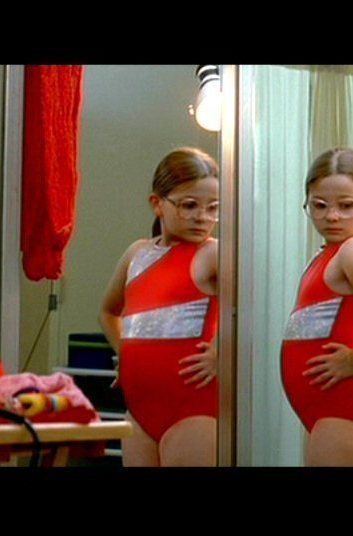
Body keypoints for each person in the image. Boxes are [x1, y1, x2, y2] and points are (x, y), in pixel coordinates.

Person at [99, 147, 220, 467]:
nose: (202, 217)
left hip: (193, 407)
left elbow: (250, 309)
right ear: (157, 204)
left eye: (213, 208)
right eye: (189, 206)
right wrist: (124, 353)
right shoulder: (137, 253)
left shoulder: (214, 254)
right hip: (139, 409)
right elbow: (108, 312)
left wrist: (221, 350)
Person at [281, 148, 353, 466]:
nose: (332, 216)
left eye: (346, 206)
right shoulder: (331, 252)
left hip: (344, 405)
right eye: (320, 205)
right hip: (326, 407)